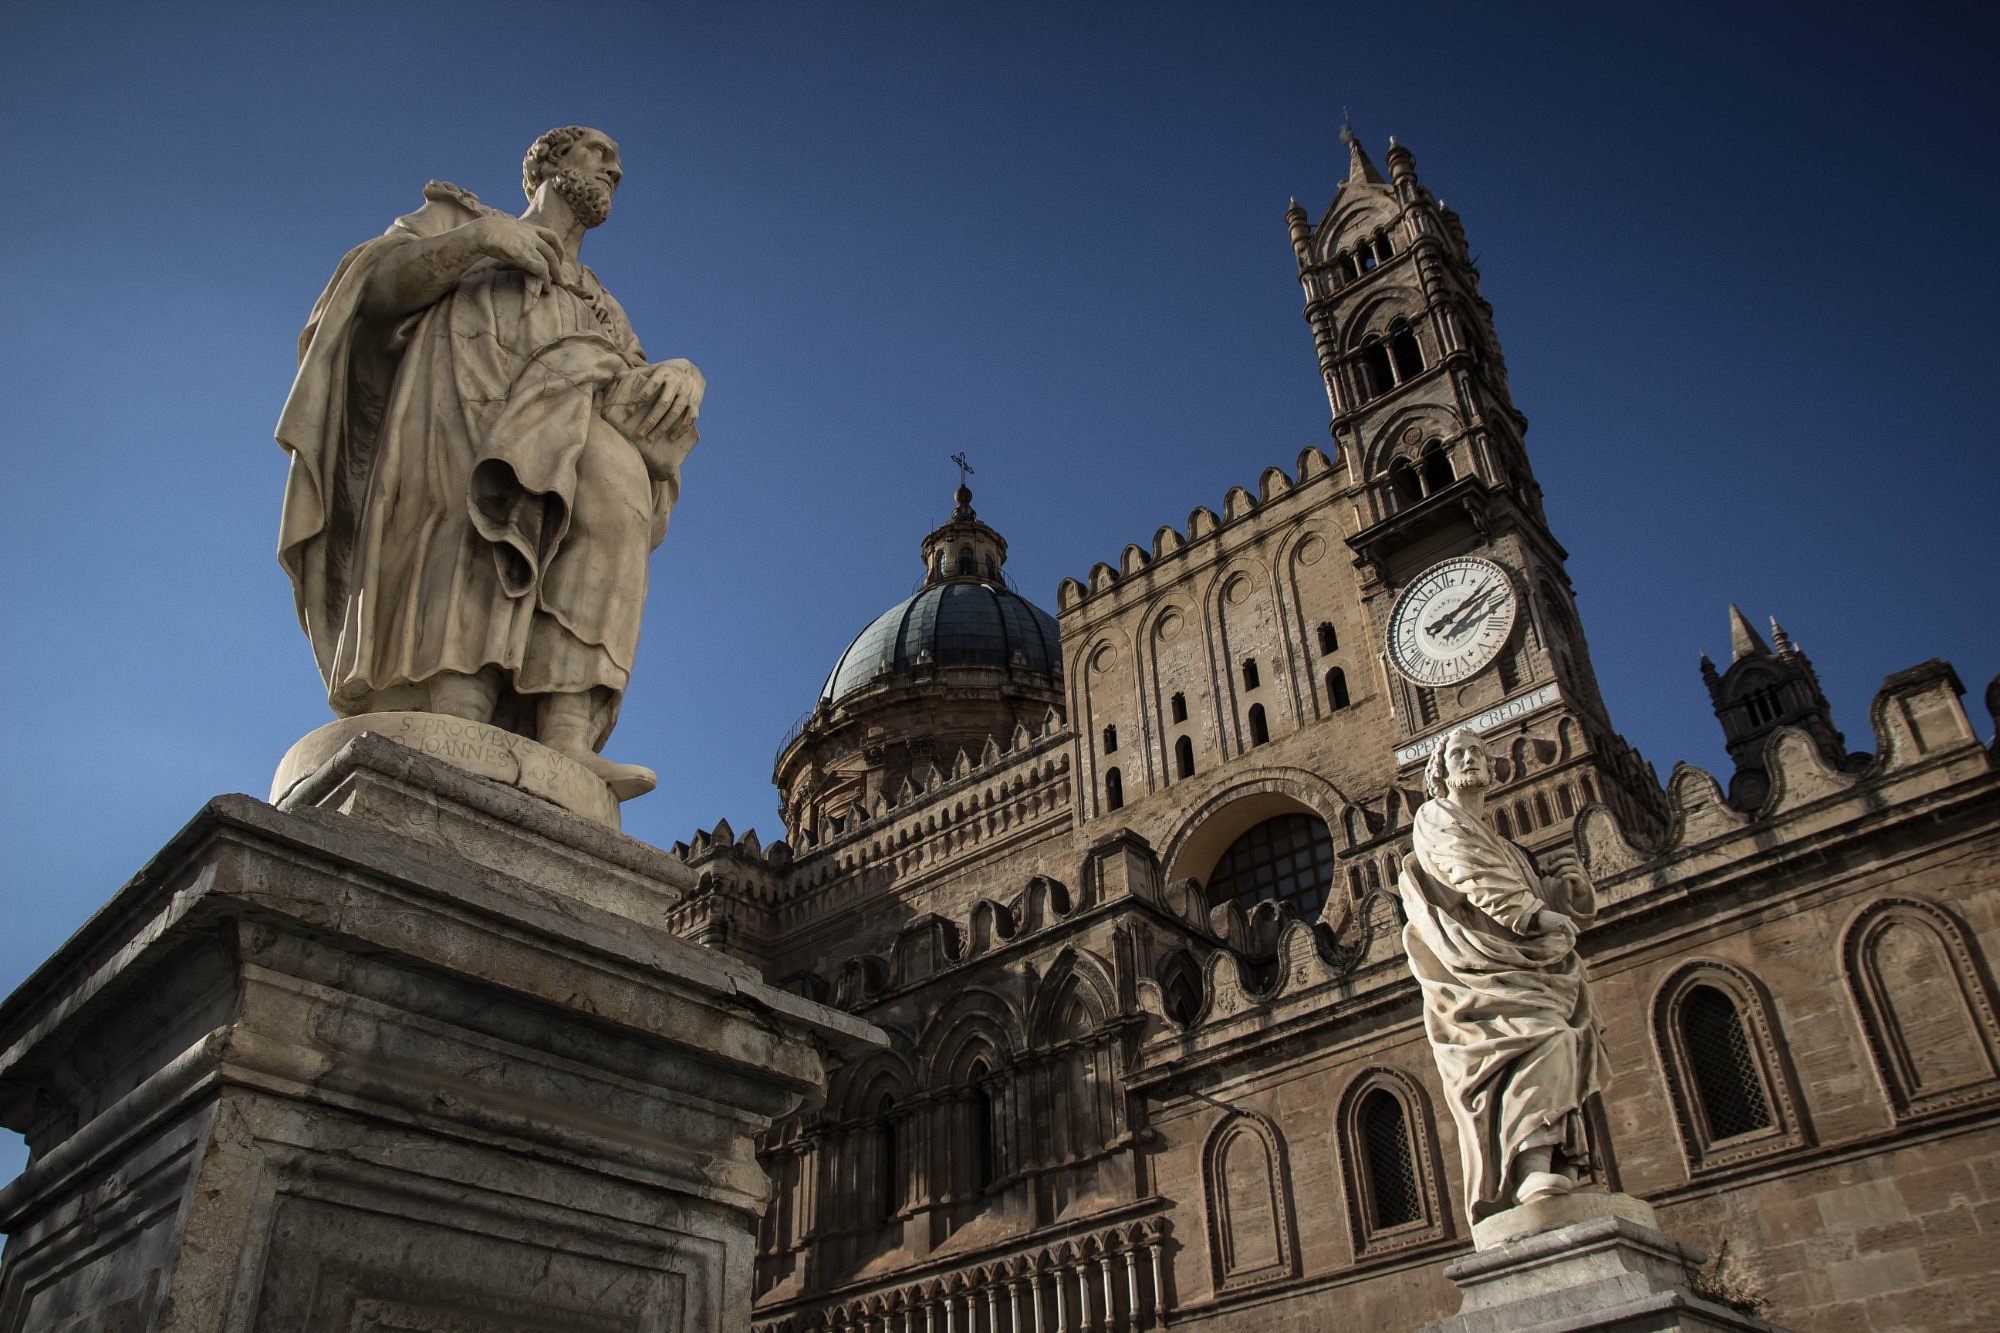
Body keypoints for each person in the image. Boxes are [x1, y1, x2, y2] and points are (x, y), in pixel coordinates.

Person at [277, 127, 703, 799]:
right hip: (457, 402)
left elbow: (635, 387)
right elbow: (373, 290)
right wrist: (480, 243)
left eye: (617, 161)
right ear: (550, 161)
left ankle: (566, 731)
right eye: (597, 153)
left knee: (618, 494)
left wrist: (682, 377)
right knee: (465, 529)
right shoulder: (459, 218)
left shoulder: (603, 306)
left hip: (570, 419)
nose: (613, 169)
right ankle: (456, 705)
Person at [1397, 727, 1610, 1222]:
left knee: (1567, 1041)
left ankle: (1555, 1162)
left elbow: (1534, 897)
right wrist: (1532, 914)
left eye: (1477, 752)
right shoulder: (1435, 817)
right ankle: (1531, 1165)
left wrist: (1568, 894)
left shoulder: (1508, 847)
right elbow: (1468, 873)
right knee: (1547, 1038)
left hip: (1521, 968)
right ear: (1440, 772)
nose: (1469, 759)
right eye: (1458, 754)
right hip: (1477, 973)